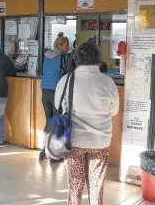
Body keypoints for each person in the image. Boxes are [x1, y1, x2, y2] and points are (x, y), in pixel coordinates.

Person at [55, 42, 119, 205]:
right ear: (98, 60)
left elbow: (58, 106)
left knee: (75, 184)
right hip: (100, 141)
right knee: (96, 183)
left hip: (73, 140)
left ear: (76, 59)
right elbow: (114, 111)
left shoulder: (66, 80)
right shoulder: (107, 82)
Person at [39, 33, 71, 162]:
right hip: (56, 92)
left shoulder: (47, 55)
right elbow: (67, 72)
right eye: (66, 45)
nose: (68, 48)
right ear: (59, 45)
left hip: (45, 91)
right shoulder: (63, 56)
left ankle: (43, 151)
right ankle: (54, 155)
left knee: (49, 121)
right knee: (57, 122)